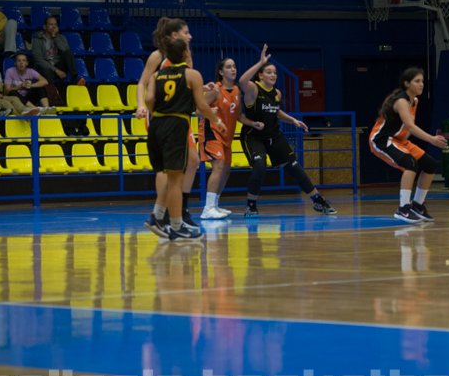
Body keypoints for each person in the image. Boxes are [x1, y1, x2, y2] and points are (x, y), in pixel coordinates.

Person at [238, 44, 336, 217]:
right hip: (254, 136)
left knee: (294, 166)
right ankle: (251, 206)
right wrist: (260, 62)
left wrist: (292, 120)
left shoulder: (276, 93)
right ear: (260, 75)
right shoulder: (253, 89)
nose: (273, 75)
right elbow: (242, 82)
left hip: (274, 136)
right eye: (268, 72)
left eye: (275, 72)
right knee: (260, 166)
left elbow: (275, 111)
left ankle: (318, 201)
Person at [144, 38, 227, 240]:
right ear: (186, 54)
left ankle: (158, 217)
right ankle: (175, 226)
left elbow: (148, 100)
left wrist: (161, 114)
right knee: (175, 179)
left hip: (156, 126)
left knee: (166, 173)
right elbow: (202, 105)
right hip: (175, 126)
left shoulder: (156, 75)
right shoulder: (191, 74)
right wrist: (216, 120)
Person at [369, 67, 448, 224]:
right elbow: (411, 126)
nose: (421, 84)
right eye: (417, 81)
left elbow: (407, 128)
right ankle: (403, 208)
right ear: (407, 83)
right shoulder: (401, 101)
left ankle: (417, 205)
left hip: (399, 140)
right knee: (410, 163)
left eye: (422, 81)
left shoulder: (414, 101)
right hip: (383, 140)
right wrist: (431, 139)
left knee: (430, 165)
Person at [198, 58, 264, 219]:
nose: (233, 69)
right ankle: (207, 208)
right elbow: (198, 111)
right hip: (211, 132)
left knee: (226, 171)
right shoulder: (215, 89)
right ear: (221, 72)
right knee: (219, 167)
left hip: (227, 136)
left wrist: (253, 123)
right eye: (228, 67)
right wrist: (209, 112)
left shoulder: (236, 90)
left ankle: (214, 205)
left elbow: (239, 116)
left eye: (234, 66)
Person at [0, 50, 39, 116]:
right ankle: (21, 118)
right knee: (6, 103)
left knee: (14, 99)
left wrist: (1, 87)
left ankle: (26, 112)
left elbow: (2, 92)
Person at [32, 16, 85, 86]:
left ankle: (74, 79)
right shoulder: (37, 40)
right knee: (45, 71)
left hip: (58, 65)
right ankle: (52, 91)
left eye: (55, 24)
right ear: (45, 27)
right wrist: (55, 70)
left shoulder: (61, 38)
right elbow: (38, 59)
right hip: (46, 67)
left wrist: (55, 37)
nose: (53, 27)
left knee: (69, 52)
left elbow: (66, 51)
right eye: (51, 24)